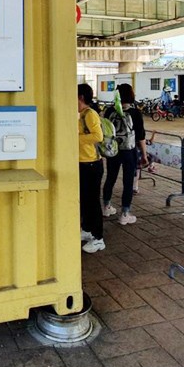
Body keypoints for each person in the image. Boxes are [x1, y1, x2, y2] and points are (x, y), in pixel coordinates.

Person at [101, 83, 148, 225]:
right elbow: (141, 136)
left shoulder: (109, 111)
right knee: (128, 182)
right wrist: (144, 155)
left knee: (110, 178)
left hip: (113, 150)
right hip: (129, 151)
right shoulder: (135, 113)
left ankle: (106, 207)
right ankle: (125, 214)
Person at [77, 83, 106, 252]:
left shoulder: (90, 114)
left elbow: (98, 136)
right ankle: (87, 230)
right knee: (85, 200)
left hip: (92, 165)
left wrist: (75, 138)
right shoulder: (81, 115)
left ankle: (98, 238)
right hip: (83, 163)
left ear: (81, 97)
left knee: (93, 201)